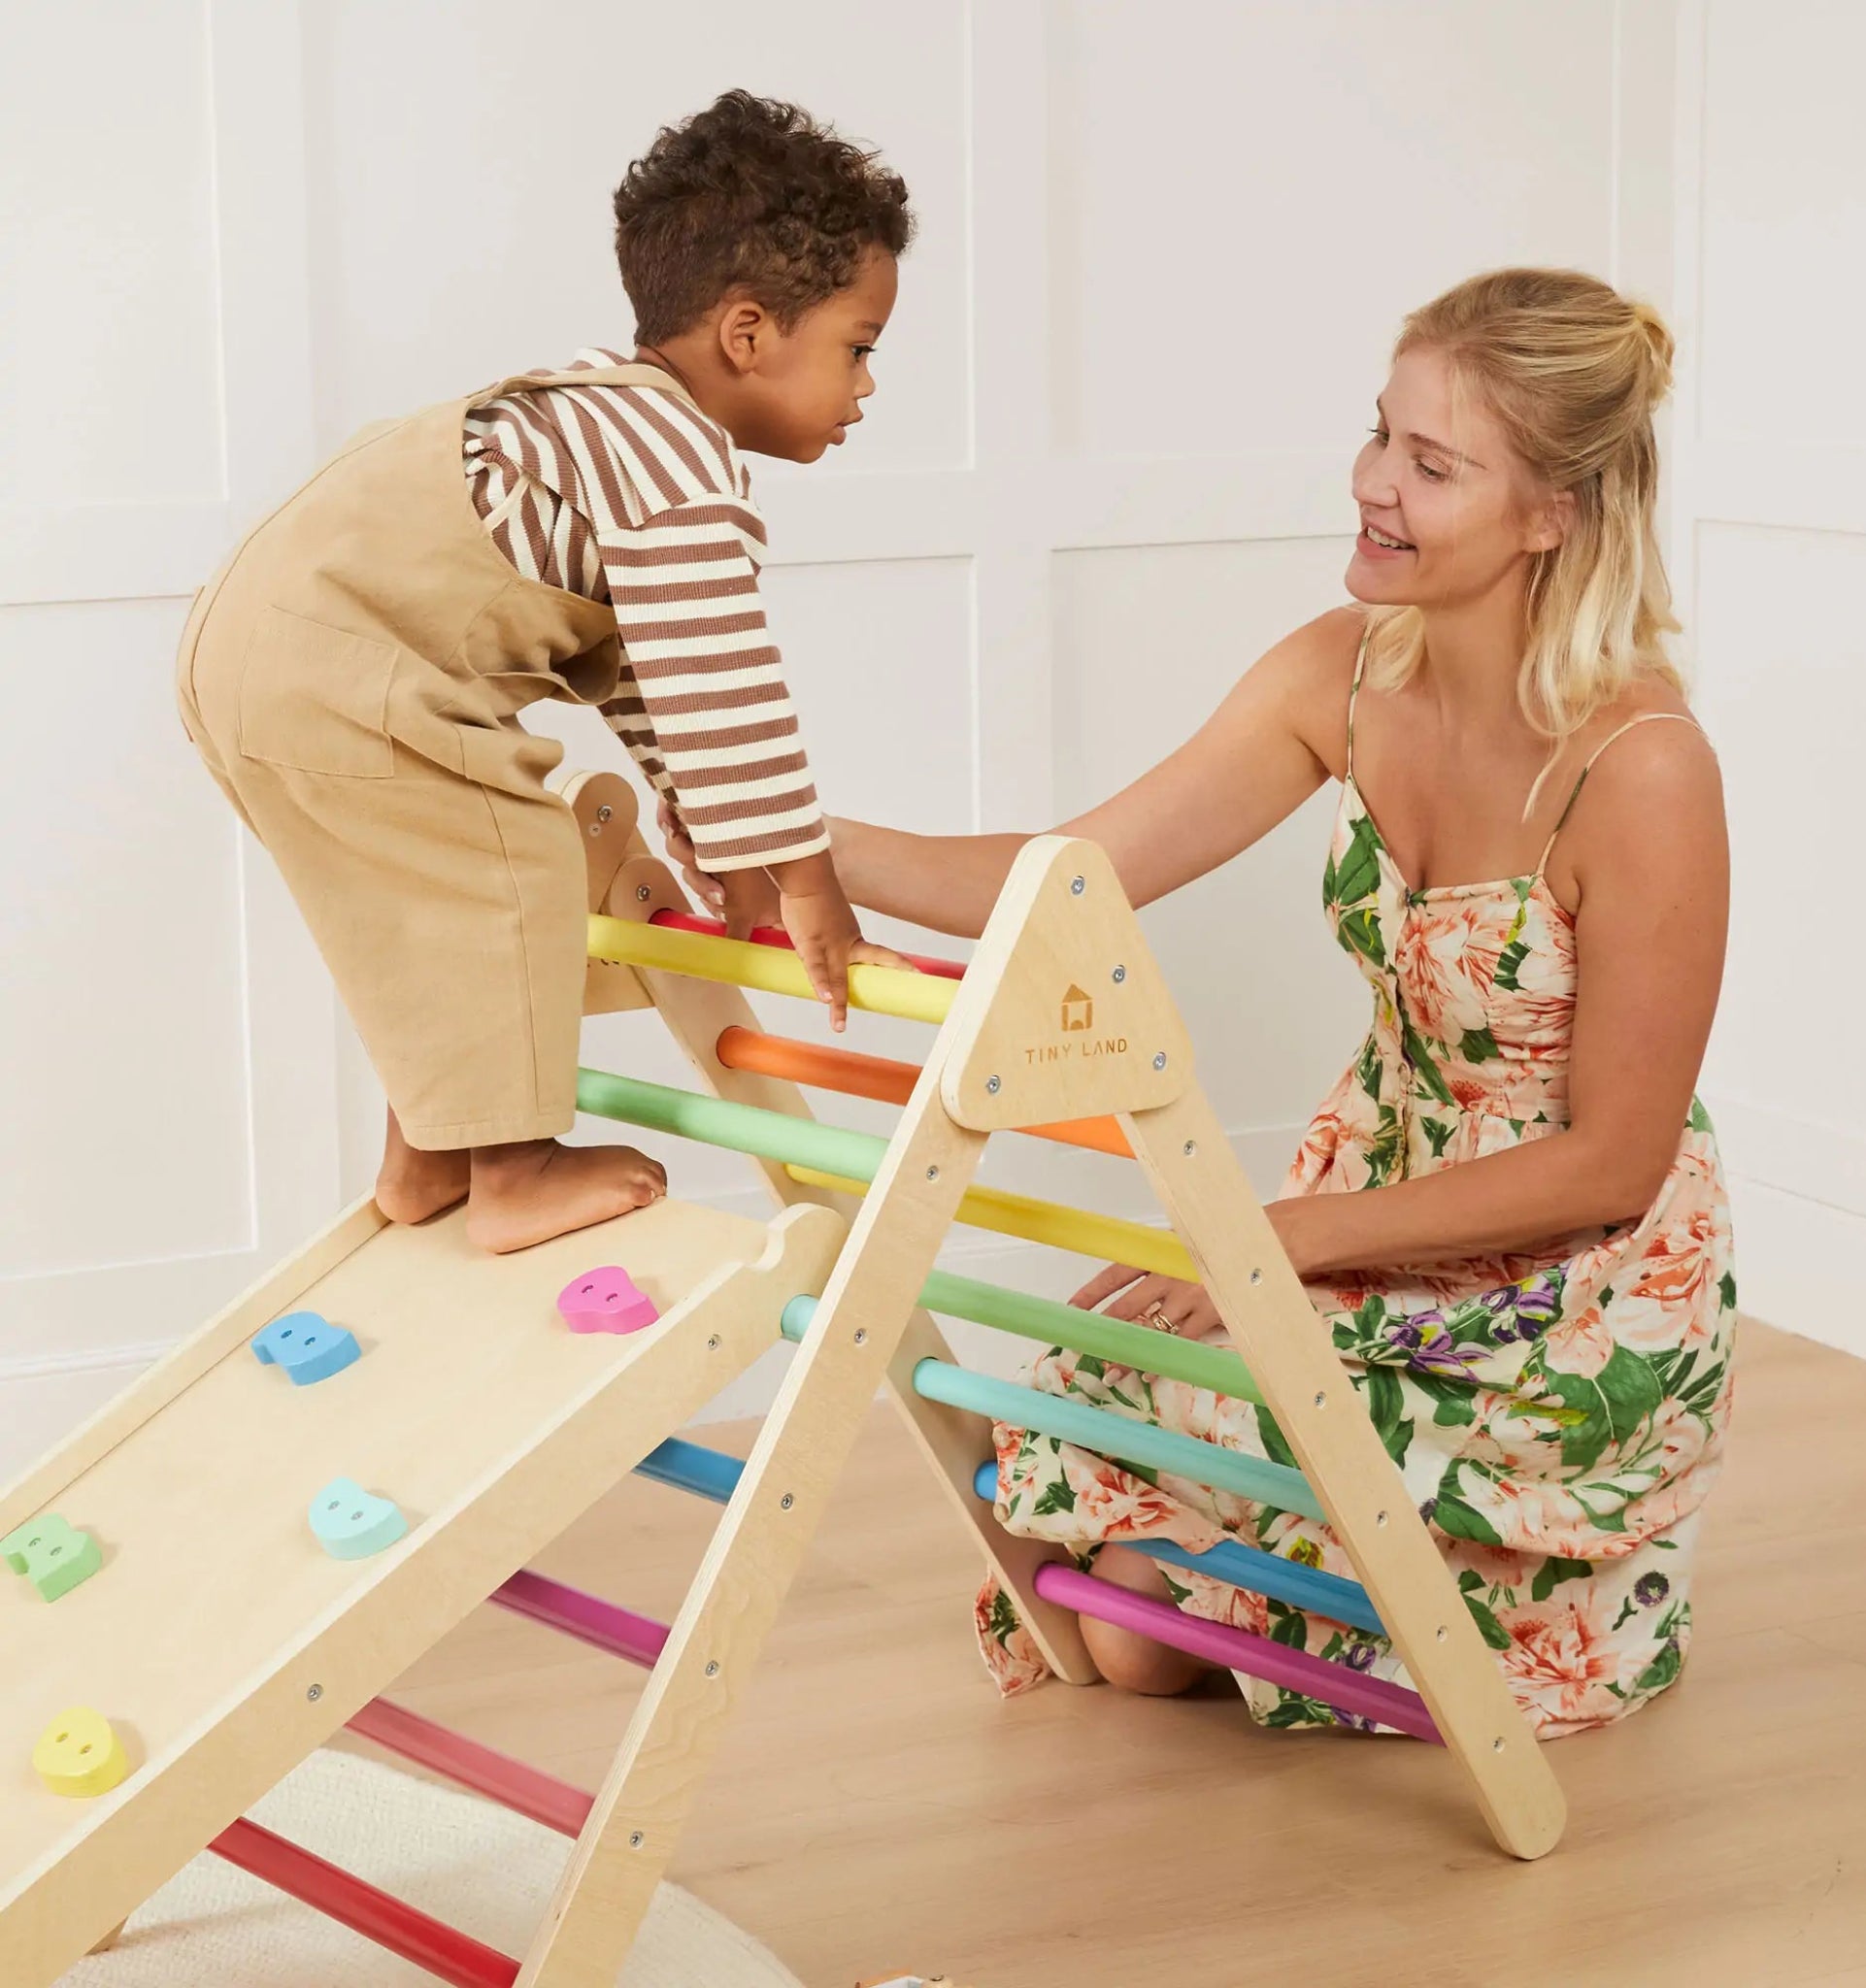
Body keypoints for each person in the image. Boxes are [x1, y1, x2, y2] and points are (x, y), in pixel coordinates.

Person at [679, 268, 1735, 1737]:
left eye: (1433, 466)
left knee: (1173, 1488)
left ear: (1553, 512)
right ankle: (1227, 1586)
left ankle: (1372, 1580)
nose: (1373, 484)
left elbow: (1611, 1164)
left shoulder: (1646, 768)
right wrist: (789, 831)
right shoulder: (1340, 672)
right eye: (1382, 435)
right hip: (1376, 1203)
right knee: (1103, 1394)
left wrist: (1264, 1244)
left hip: (1566, 1291)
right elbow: (1066, 877)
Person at [176, 92, 910, 1253]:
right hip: (335, 664)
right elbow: (727, 694)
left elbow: (650, 675)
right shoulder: (677, 467)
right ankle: (510, 1171)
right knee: (511, 866)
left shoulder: (599, 418)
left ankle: (429, 1155)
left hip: (265, 652)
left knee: (437, 900)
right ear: (748, 332)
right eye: (857, 348)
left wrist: (721, 851)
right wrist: (808, 878)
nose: (868, 384)